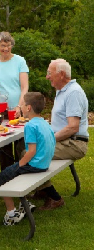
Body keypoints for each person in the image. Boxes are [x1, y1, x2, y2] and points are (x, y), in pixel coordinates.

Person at [31, 59, 89, 210]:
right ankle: (42, 189)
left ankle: (54, 197)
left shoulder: (73, 93)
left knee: (30, 152)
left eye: (49, 73)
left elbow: (72, 127)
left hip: (74, 143)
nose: (47, 76)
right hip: (66, 140)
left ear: (61, 74)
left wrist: (47, 139)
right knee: (23, 146)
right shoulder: (63, 91)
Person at [0, 92, 56, 226]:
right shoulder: (45, 122)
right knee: (12, 174)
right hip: (44, 163)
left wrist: (20, 164)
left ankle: (12, 215)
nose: (20, 107)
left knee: (1, 178)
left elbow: (31, 151)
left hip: (35, 165)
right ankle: (24, 204)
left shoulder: (30, 125)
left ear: (28, 108)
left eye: (22, 104)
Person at [0, 31, 29, 171]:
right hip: (0, 110)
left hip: (18, 109)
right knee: (3, 146)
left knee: (21, 144)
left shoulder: (20, 61)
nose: (6, 48)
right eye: (3, 45)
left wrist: (19, 106)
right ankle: (6, 175)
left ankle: (22, 172)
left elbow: (25, 87)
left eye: (8, 45)